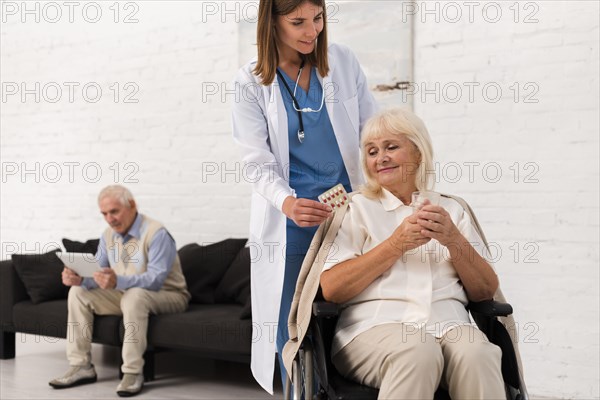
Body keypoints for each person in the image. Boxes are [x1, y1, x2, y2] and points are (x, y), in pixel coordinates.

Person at [231, 0, 378, 392]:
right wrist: (288, 203)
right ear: (271, 22)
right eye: (298, 22)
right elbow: (255, 163)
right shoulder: (250, 83)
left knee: (352, 311)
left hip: (348, 214)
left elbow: (371, 131)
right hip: (291, 222)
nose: (311, 30)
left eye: (318, 18)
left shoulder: (342, 62)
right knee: (291, 323)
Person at [319, 108, 505, 399]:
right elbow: (332, 289)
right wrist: (396, 244)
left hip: (449, 324)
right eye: (371, 151)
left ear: (419, 152)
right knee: (418, 351)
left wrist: (453, 239)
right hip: (372, 327)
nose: (380, 158)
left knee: (479, 354)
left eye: (391, 147)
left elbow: (484, 291)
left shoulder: (452, 210)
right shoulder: (353, 209)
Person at [49, 185, 190, 397]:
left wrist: (117, 281)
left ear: (132, 205)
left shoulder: (156, 233)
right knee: (78, 293)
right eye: (104, 213)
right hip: (128, 294)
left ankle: (132, 372)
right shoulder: (108, 236)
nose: (109, 219)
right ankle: (81, 366)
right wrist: (80, 279)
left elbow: (155, 280)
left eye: (114, 211)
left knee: (135, 296)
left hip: (169, 294)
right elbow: (98, 274)